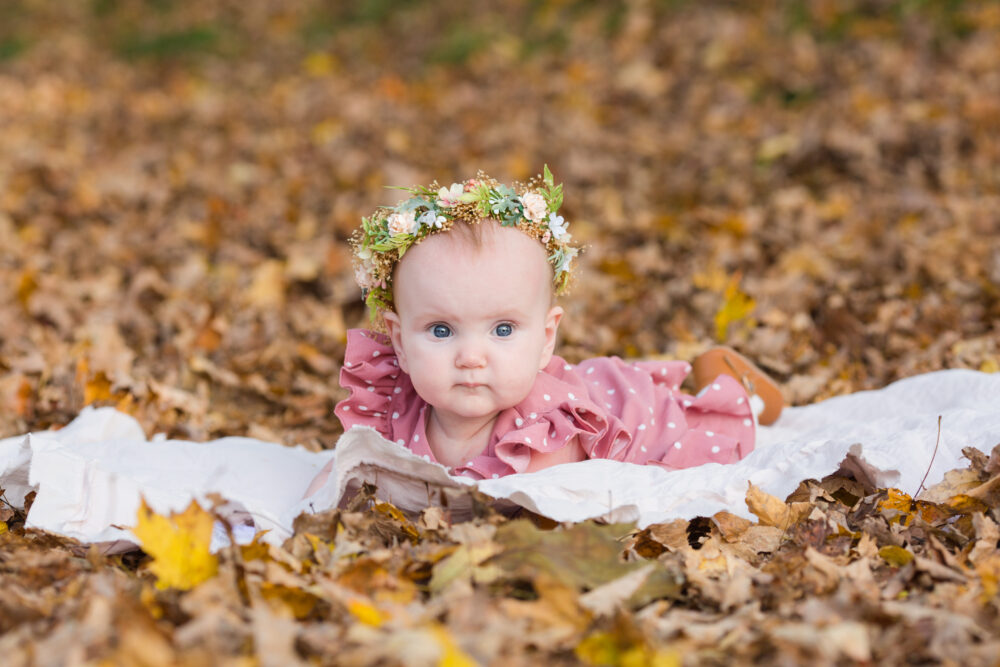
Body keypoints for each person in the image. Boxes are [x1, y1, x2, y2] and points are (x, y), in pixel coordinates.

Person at [329, 168, 783, 482]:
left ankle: (733, 387)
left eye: (502, 330)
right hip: (586, 386)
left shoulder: (544, 435)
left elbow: (527, 511)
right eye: (442, 331)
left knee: (702, 424)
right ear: (399, 341)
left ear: (546, 338)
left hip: (631, 413)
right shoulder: (392, 406)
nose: (470, 357)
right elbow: (340, 475)